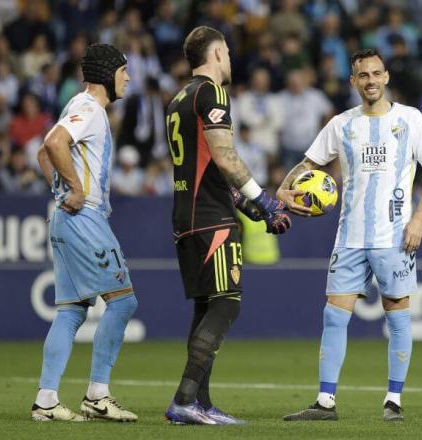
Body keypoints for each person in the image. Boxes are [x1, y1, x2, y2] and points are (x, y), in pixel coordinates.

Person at [279, 49, 422, 422]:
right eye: (362, 75)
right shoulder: (341, 124)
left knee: (397, 314)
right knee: (334, 316)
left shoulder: (410, 119)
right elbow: (308, 164)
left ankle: (394, 400)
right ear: (353, 81)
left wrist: (418, 219)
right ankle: (325, 402)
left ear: (385, 77)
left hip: (395, 235)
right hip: (349, 236)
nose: (370, 80)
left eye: (375, 73)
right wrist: (283, 190)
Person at [164, 26, 294, 425]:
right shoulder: (212, 92)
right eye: (229, 54)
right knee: (226, 305)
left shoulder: (177, 99)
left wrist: (239, 200)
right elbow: (224, 157)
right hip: (211, 220)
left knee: (206, 308)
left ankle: (199, 404)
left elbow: (200, 162)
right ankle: (185, 400)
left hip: (187, 216)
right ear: (218, 53)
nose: (232, 61)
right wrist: (263, 200)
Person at [32, 44, 138, 423]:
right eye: (124, 70)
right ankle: (98, 395)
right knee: (124, 302)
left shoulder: (78, 105)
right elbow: (52, 145)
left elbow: (45, 155)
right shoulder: (90, 108)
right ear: (108, 73)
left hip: (66, 218)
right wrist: (75, 190)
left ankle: (46, 400)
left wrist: (60, 191)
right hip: (84, 217)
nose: (128, 77)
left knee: (71, 311)